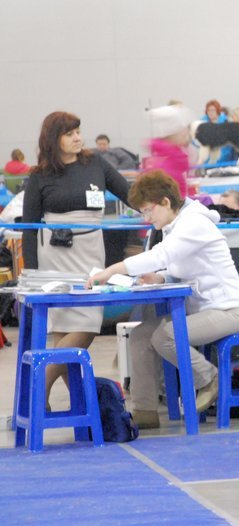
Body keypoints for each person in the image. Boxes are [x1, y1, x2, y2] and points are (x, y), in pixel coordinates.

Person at [87, 170, 239, 428]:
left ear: (165, 202)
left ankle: (210, 379)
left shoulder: (194, 222)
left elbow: (162, 255)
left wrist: (112, 270)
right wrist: (161, 278)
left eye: (148, 211)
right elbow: (178, 266)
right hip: (200, 312)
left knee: (166, 336)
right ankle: (144, 412)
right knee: (139, 336)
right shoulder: (176, 226)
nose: (147, 218)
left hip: (228, 311)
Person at [22, 111, 131, 406]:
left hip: (91, 254)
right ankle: (81, 407)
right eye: (69, 133)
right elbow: (29, 228)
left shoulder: (95, 162)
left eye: (79, 131)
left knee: (88, 323)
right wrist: (31, 274)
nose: (78, 138)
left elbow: (128, 192)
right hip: (54, 259)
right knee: (66, 329)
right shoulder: (39, 175)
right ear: (53, 139)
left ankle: (41, 385)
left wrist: (161, 204)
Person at [144, 104, 194, 197]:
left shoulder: (177, 158)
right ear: (171, 134)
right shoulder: (164, 166)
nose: (186, 132)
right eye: (182, 130)